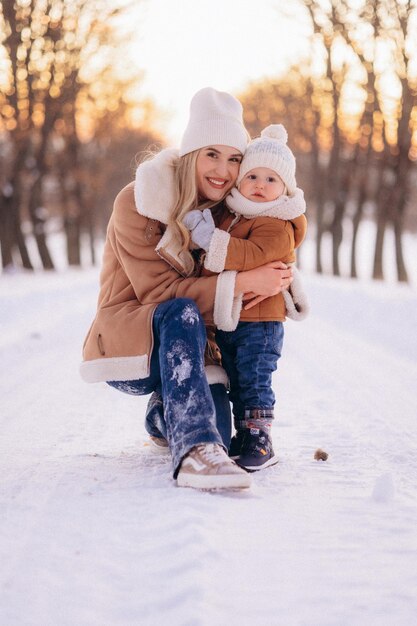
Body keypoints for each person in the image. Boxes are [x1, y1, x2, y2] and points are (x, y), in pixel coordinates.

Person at [80, 88, 294, 490]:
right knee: (181, 311)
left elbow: (274, 226)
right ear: (190, 154)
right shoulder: (139, 202)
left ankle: (165, 417)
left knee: (219, 420)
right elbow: (160, 293)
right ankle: (195, 453)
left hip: (198, 345)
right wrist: (242, 282)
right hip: (134, 340)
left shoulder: (225, 213)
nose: (224, 170)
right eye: (212, 154)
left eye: (234, 159)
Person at [183, 124, 308, 471]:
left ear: (285, 187)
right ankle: (243, 432)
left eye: (272, 180)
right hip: (234, 318)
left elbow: (251, 254)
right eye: (253, 176)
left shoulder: (278, 222)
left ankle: (260, 436)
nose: (260, 186)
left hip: (261, 322)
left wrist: (210, 239)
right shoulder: (234, 213)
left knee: (254, 377)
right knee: (236, 378)